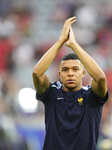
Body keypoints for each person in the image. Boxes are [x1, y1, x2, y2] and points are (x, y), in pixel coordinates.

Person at [32, 16, 108, 150]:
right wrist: (61, 40)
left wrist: (73, 44)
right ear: (59, 74)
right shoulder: (52, 94)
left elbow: (101, 78)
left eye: (75, 69)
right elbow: (37, 73)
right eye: (65, 70)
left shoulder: (92, 96)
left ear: (84, 73)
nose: (70, 73)